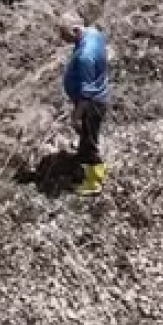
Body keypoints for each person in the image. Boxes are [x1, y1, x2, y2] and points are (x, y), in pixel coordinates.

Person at [58, 12, 110, 196]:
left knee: (89, 143)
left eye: (63, 34)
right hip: (96, 96)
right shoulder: (94, 33)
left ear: (75, 30)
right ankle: (88, 163)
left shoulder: (85, 55)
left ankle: (94, 182)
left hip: (92, 103)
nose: (61, 38)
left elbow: (86, 94)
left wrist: (75, 116)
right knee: (88, 135)